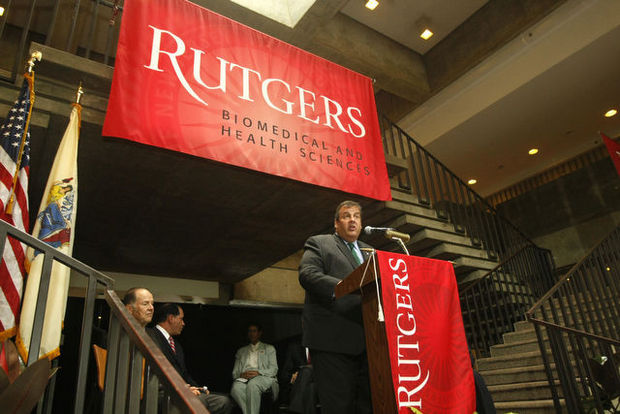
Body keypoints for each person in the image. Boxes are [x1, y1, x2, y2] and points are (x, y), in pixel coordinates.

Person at [298, 200, 373, 414]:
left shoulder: (371, 252)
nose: (352, 220)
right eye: (347, 216)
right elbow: (308, 274)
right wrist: (343, 286)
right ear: (336, 223)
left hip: (369, 343)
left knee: (367, 406)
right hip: (332, 342)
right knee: (339, 407)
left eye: (356, 216)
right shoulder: (320, 243)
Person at [147, 303, 233, 414]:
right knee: (199, 402)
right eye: (181, 319)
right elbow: (156, 374)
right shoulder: (150, 337)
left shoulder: (176, 345)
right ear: (171, 318)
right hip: (164, 391)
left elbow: (184, 374)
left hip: (184, 390)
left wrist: (198, 388)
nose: (183, 323)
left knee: (223, 401)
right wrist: (182, 388)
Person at [230, 323, 278, 414]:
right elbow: (234, 373)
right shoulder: (241, 351)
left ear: (259, 333)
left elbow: (274, 369)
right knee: (236, 388)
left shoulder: (269, 348)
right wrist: (241, 374)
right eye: (250, 331)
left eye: (254, 331)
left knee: (253, 385)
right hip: (245, 377)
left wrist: (258, 372)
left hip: (263, 376)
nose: (251, 334)